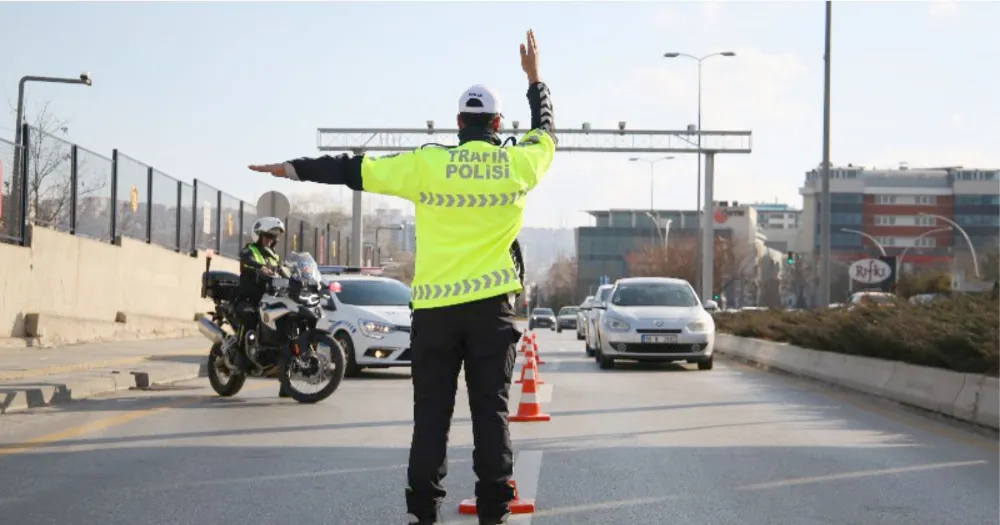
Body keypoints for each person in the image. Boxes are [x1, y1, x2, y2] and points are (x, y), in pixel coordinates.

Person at [248, 29, 555, 525]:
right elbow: (547, 132)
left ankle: (422, 514)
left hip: (434, 315)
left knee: (430, 418)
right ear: (498, 124)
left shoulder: (427, 164)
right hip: (491, 313)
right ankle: (495, 513)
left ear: (459, 124)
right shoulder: (519, 164)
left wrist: (292, 168)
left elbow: (354, 169)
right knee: (491, 416)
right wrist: (535, 80)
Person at [237, 216, 290, 396]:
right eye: (267, 236)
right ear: (258, 235)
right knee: (250, 316)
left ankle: (286, 384)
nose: (270, 240)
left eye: (273, 237)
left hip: (270, 299)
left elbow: (283, 270)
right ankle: (241, 355)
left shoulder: (274, 255)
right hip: (250, 297)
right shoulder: (249, 250)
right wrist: (260, 268)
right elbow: (247, 261)